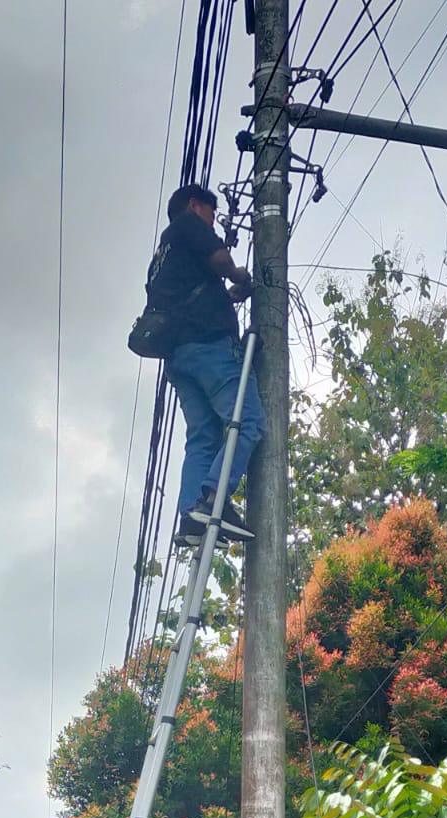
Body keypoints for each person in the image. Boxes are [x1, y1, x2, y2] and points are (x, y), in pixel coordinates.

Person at [145, 183, 266, 548]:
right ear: (195, 206)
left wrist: (227, 296)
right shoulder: (188, 225)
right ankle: (213, 499)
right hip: (209, 348)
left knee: (202, 436)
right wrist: (241, 276)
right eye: (212, 214)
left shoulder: (161, 258)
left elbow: (190, 295)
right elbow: (221, 261)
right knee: (246, 421)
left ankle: (191, 518)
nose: (213, 223)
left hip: (180, 357)